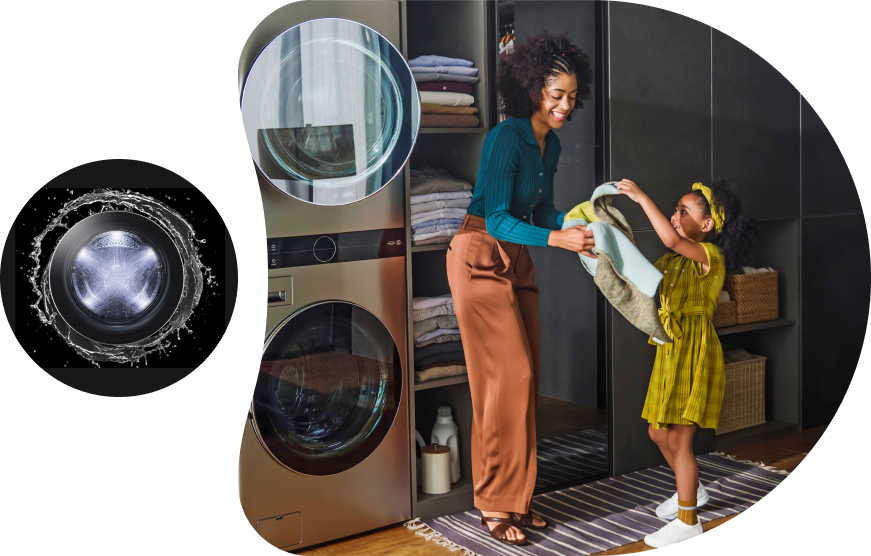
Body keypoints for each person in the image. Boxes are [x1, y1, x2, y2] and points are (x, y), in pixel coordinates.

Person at [445, 30, 595, 546]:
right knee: (506, 378)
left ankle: (519, 500)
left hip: (517, 259)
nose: (564, 106)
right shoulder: (505, 138)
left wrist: (578, 222)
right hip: (478, 254)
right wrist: (559, 238)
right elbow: (501, 220)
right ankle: (493, 503)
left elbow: (541, 210)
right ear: (533, 88)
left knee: (525, 382)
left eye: (572, 97)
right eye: (556, 95)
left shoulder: (549, 145)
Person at [615, 177, 759, 548]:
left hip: (694, 351)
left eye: (683, 211)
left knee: (680, 439)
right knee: (656, 432)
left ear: (708, 225)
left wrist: (642, 197)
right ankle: (692, 491)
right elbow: (643, 277)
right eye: (675, 210)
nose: (675, 216)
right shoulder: (673, 260)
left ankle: (688, 521)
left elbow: (673, 238)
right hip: (671, 348)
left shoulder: (710, 257)